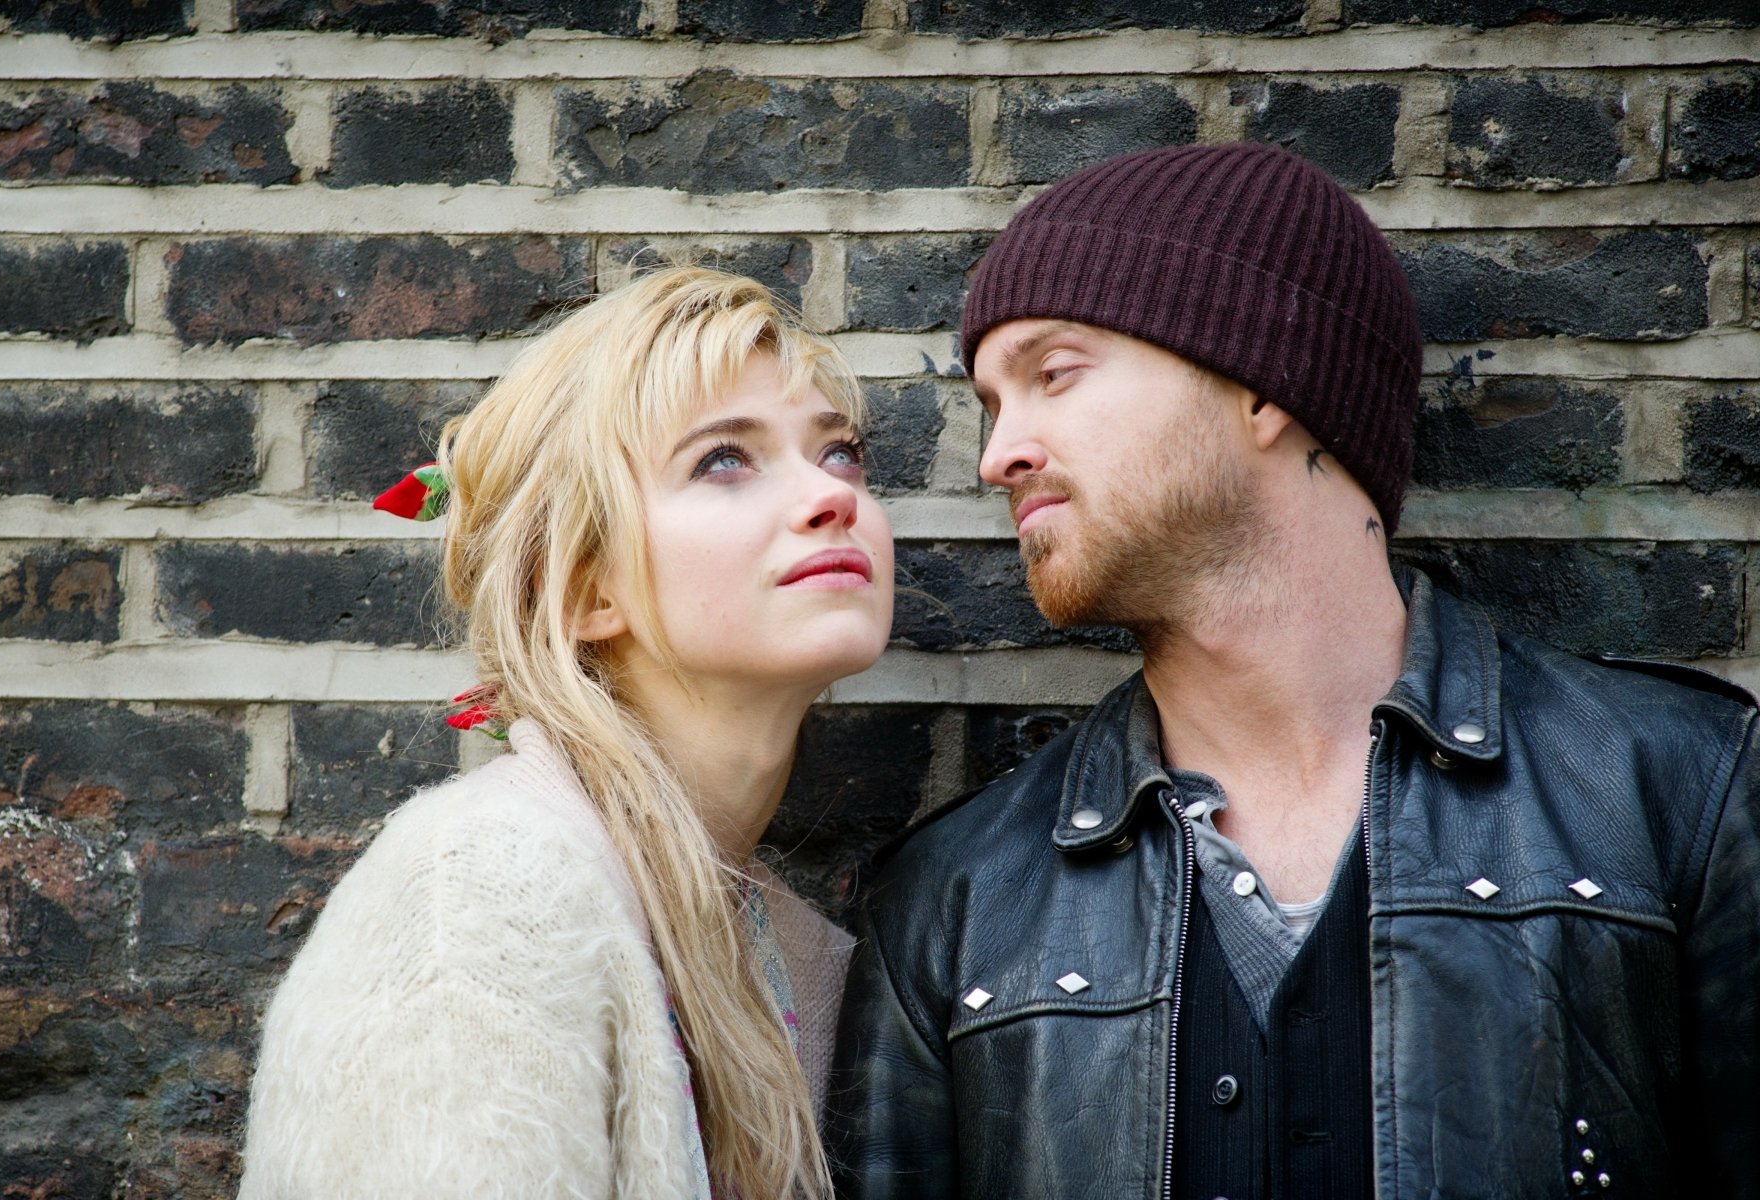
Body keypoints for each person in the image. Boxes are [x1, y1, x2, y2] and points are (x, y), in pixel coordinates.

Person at [825, 142, 1759, 1198]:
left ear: (1263, 383)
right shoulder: (956, 897)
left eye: (1053, 375)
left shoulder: (1683, 791)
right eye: (994, 404)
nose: (1000, 454)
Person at [239, 267, 894, 1199]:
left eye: (839, 453)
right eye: (724, 460)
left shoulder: (810, 963)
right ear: (585, 588)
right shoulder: (477, 897)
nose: (833, 498)